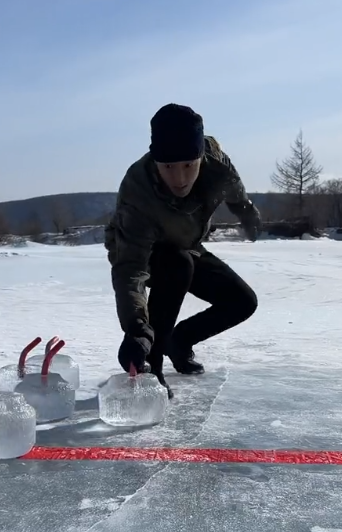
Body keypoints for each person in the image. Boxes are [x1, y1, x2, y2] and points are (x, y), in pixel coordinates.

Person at [104, 103, 261, 399]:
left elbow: (235, 189)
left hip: (187, 245)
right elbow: (130, 270)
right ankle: (153, 362)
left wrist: (247, 213)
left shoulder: (216, 162)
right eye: (168, 167)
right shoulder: (137, 191)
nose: (179, 178)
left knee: (242, 301)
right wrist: (137, 330)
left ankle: (181, 340)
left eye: (189, 165)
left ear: (201, 155)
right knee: (177, 265)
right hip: (142, 251)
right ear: (155, 160)